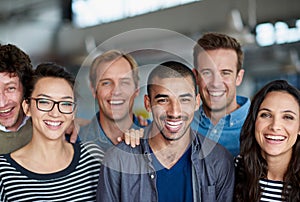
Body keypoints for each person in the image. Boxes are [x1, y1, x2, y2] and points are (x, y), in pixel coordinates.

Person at [97, 61, 235, 202]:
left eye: (184, 100)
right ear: (148, 104)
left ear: (196, 102)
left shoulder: (219, 160)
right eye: (163, 100)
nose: (174, 112)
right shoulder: (118, 161)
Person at [0, 62, 105, 201]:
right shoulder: (4, 173)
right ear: (27, 107)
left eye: (65, 103)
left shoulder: (93, 157)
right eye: (44, 102)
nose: (55, 113)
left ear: (73, 112)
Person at [0, 44, 79, 155]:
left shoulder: (48, 122)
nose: (1, 103)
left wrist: (72, 123)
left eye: (10, 88)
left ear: (25, 88)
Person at [234, 80, 300, 201]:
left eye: (288, 117)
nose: (275, 126)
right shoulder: (233, 170)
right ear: (254, 121)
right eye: (266, 115)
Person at [192, 32, 250, 156]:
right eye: (207, 72)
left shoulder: (259, 125)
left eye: (225, 72)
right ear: (196, 76)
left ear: (238, 77)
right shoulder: (182, 125)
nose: (216, 83)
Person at [79, 50, 149, 151]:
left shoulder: (156, 136)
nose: (116, 91)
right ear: (94, 90)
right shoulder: (75, 140)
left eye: (124, 82)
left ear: (136, 88)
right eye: (106, 83)